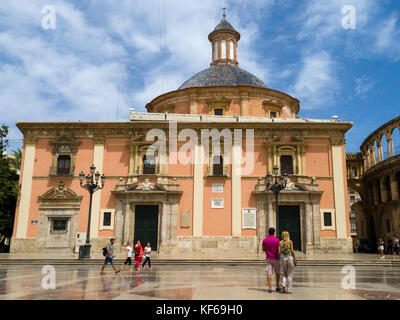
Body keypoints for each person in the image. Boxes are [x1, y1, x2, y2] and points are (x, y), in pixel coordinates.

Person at [262, 227, 281, 293]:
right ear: (274, 232)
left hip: (268, 258)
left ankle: (270, 287)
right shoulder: (277, 240)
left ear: (268, 232)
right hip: (276, 258)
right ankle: (277, 286)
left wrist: (267, 250)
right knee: (277, 272)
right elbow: (279, 251)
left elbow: (263, 249)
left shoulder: (265, 240)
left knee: (269, 272)